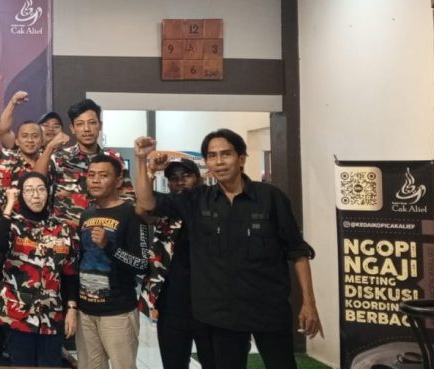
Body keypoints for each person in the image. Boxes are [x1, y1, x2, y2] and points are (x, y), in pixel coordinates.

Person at [133, 130, 322, 369]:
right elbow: (146, 203)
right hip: (221, 316)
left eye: (226, 154)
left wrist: (309, 302)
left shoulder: (271, 197)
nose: (219, 161)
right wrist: (141, 160)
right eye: (212, 156)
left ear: (241, 158)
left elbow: (297, 250)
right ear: (207, 163)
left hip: (268, 308)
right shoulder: (197, 200)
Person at [0, 172, 78, 368]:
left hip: (51, 314)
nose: (36, 196)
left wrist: (72, 308)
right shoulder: (12, 224)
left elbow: (70, 273)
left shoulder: (63, 228)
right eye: (29, 190)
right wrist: (9, 205)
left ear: (48, 192)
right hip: (17, 314)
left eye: (40, 189)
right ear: (21, 195)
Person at [76, 154, 149, 369]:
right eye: (91, 175)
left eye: (103, 175)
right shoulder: (86, 214)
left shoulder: (132, 214)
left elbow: (141, 264)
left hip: (118, 311)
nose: (95, 180)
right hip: (86, 310)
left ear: (118, 181)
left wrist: (109, 246)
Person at [141, 158, 214, 369]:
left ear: (198, 178)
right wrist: (149, 171)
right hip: (171, 305)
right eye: (173, 178)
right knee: (173, 364)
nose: (180, 182)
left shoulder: (212, 207)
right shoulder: (166, 211)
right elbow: (142, 209)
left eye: (186, 176)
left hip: (208, 305)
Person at [43, 99, 133, 227]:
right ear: (72, 128)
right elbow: (40, 191)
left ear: (100, 125)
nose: (87, 129)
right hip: (66, 234)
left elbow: (128, 199)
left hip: (104, 232)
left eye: (92, 123)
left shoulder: (114, 158)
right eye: (80, 124)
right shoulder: (58, 159)